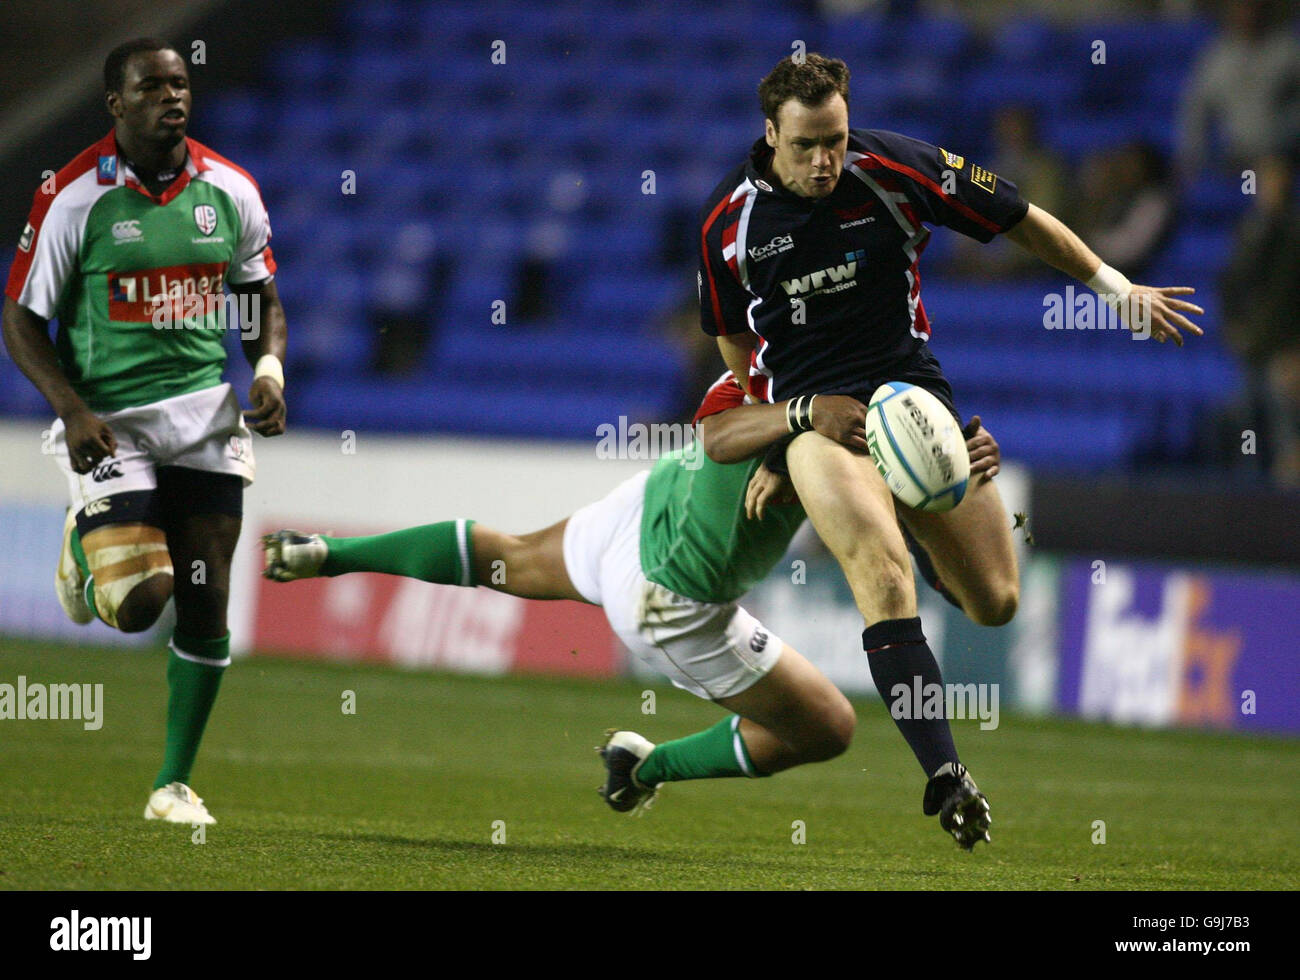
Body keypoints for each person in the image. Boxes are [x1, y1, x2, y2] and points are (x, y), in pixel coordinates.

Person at [697, 53, 1204, 799]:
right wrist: (780, 435)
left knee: (995, 601)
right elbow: (733, 340)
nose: (823, 159)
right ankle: (944, 773)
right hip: (819, 426)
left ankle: (912, 513)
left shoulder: (897, 169)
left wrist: (1114, 288)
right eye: (804, 145)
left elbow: (1020, 217)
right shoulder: (727, 222)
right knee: (881, 572)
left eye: (834, 138)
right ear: (770, 134)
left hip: (912, 402)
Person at [263, 374, 1002, 849]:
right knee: (828, 726)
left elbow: (936, 570)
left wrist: (946, 488)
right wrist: (796, 443)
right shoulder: (823, 414)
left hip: (646, 506)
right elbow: (724, 434)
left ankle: (327, 554)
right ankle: (645, 768)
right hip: (671, 596)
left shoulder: (789, 361)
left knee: (511, 557)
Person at [1, 38, 288, 825]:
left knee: (206, 598)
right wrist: (70, 408)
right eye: (153, 86)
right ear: (115, 104)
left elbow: (259, 298)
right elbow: (20, 318)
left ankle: (172, 784)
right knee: (138, 605)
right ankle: (86, 557)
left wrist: (267, 372)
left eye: (182, 83)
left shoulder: (230, 191)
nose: (174, 97)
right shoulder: (70, 198)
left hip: (203, 415)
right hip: (110, 423)